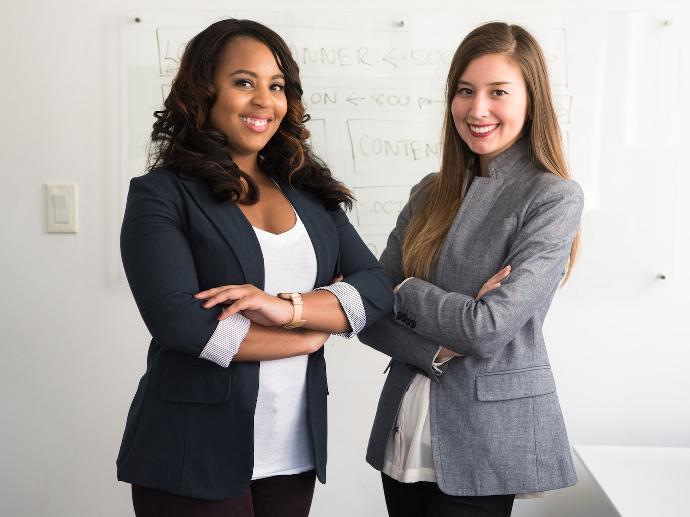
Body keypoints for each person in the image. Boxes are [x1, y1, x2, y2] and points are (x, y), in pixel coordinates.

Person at [116, 18, 393, 517]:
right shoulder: (161, 194)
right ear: (204, 92)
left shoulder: (309, 192)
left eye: (277, 85)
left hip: (292, 451)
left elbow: (375, 289)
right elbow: (182, 323)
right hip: (191, 451)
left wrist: (285, 310)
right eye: (244, 82)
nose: (265, 100)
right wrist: (308, 335)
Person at [358, 22, 584, 517]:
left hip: (486, 439)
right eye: (465, 91)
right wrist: (437, 344)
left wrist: (408, 289)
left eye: (497, 92)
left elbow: (486, 330)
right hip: (405, 428)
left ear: (532, 100)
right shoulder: (428, 191)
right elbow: (370, 314)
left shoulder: (552, 197)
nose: (476, 109)